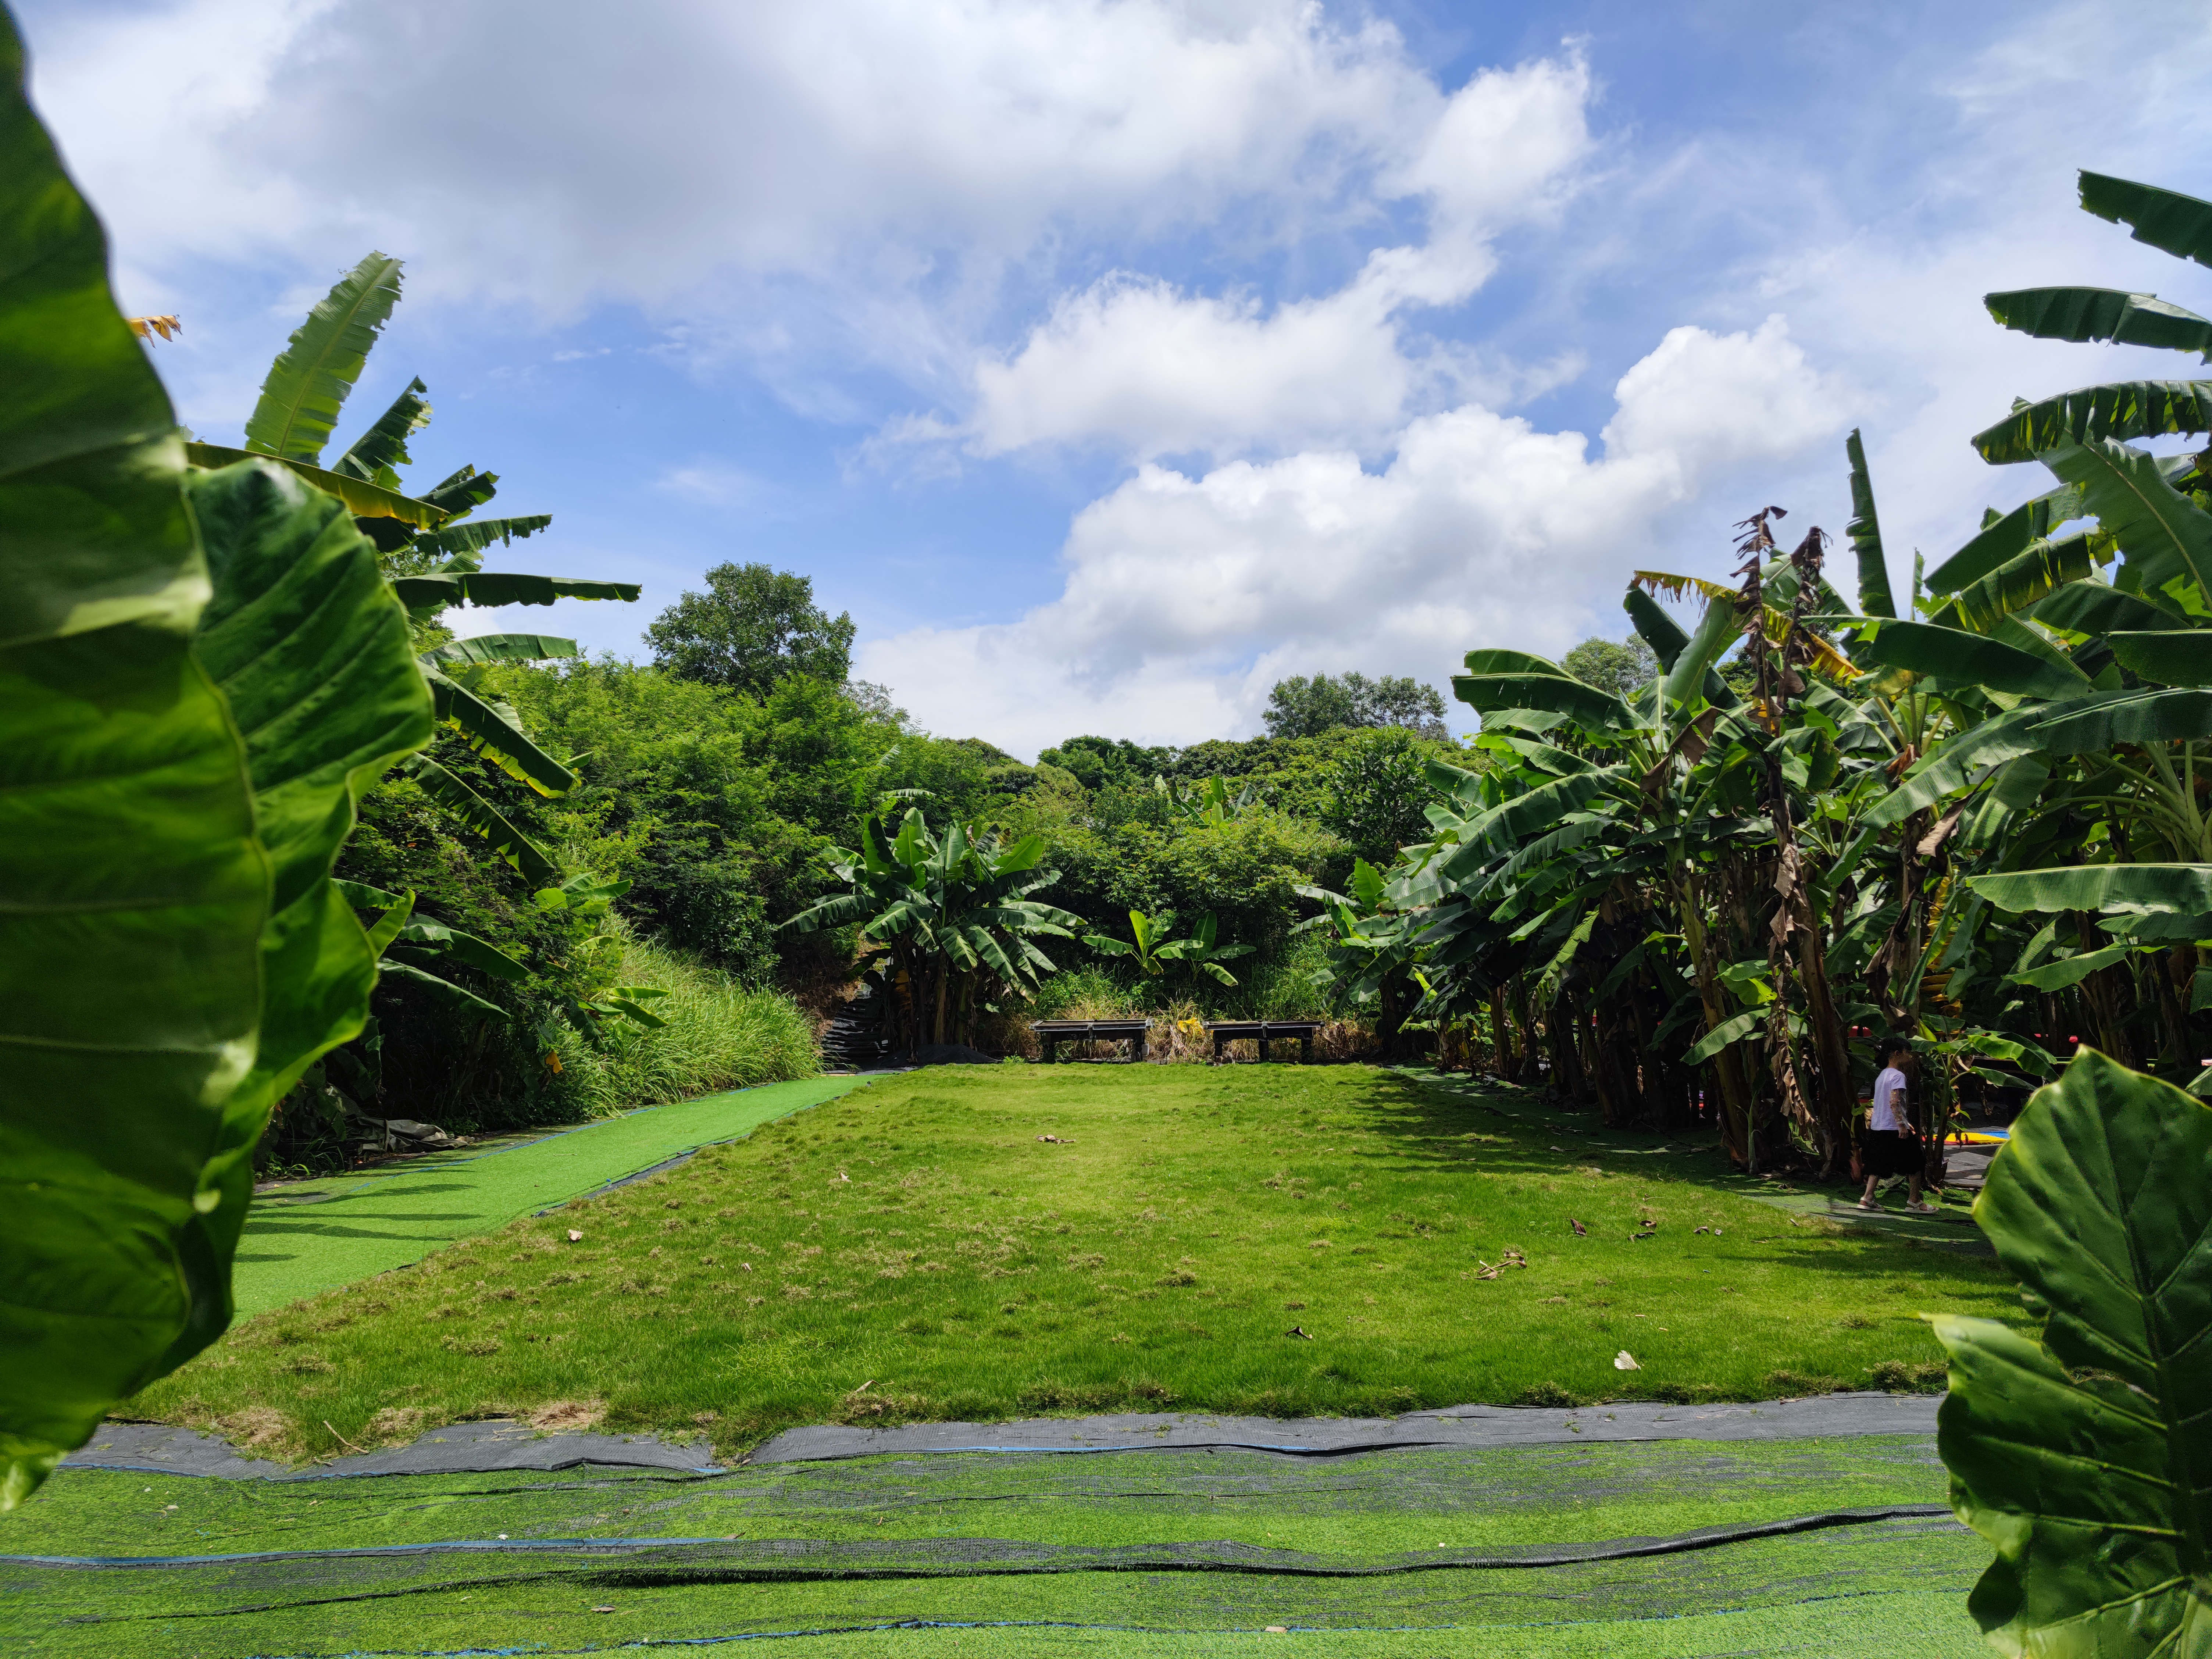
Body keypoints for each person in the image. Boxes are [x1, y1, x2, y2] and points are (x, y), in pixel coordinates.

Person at [1860, 1040, 1937, 1213]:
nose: (1910, 1056)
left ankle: (1867, 1198)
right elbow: (1895, 1103)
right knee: (1917, 1161)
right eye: (1907, 1052)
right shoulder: (1898, 1076)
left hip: (1879, 1127)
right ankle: (1915, 1201)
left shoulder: (1882, 1075)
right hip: (1893, 1128)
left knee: (1878, 1163)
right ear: (1897, 1054)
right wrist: (1902, 1125)